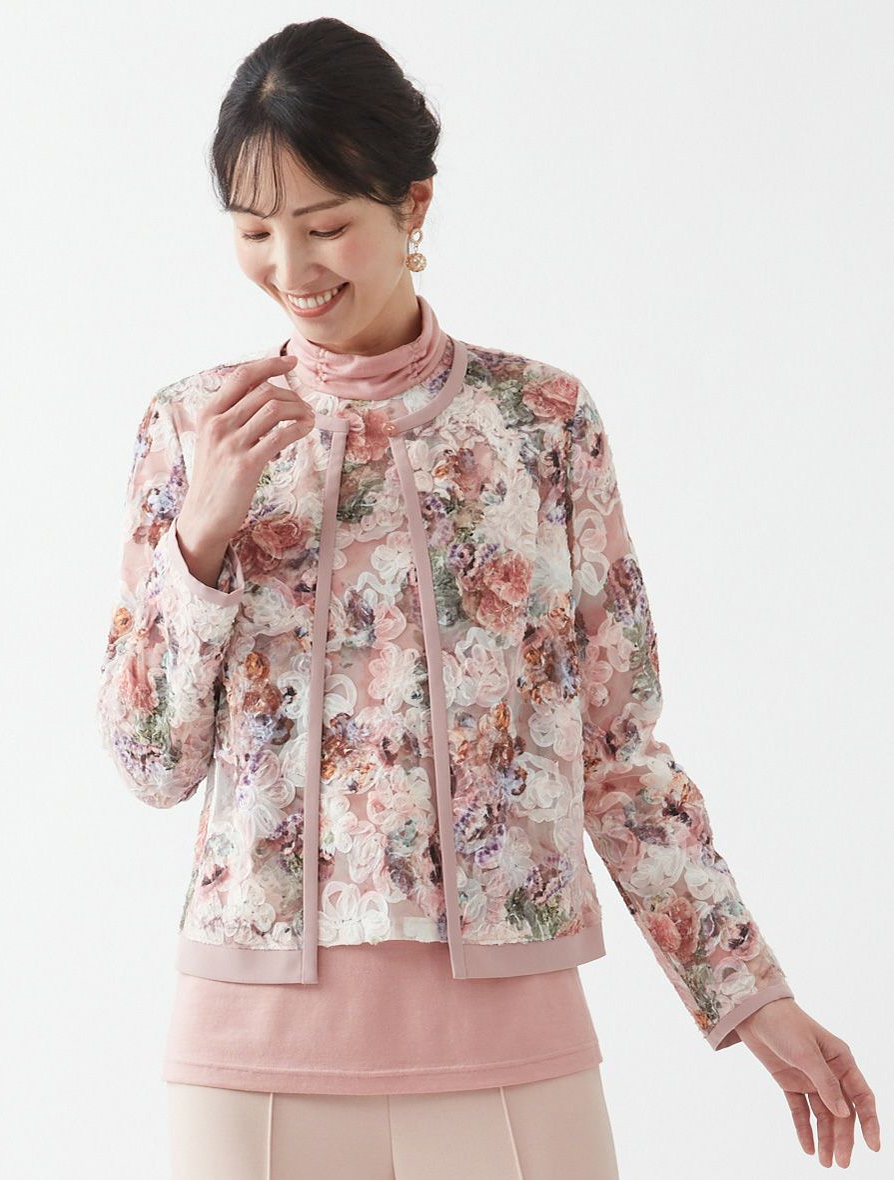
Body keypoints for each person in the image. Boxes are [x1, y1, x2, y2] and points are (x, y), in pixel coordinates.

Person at [96, 17, 881, 1180]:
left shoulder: (541, 423)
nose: (290, 267)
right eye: (255, 230)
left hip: (510, 1039)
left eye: (325, 224)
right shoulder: (192, 426)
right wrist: (199, 539)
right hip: (248, 1052)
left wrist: (748, 995)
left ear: (411, 206)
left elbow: (615, 751)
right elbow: (149, 762)